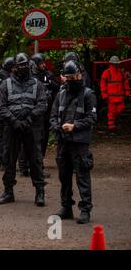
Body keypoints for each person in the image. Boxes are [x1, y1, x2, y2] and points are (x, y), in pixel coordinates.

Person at [0, 53, 46, 207]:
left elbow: (42, 104)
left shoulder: (37, 84)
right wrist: (14, 120)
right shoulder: (6, 84)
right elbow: (0, 106)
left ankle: (40, 192)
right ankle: (8, 191)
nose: (22, 68)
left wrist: (29, 119)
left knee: (35, 160)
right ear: (14, 67)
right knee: (8, 160)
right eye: (19, 65)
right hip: (12, 128)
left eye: (25, 65)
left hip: (31, 127)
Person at [50, 60, 96, 224]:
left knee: (82, 176)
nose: (71, 79)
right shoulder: (61, 93)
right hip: (63, 142)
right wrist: (57, 126)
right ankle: (66, 207)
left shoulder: (88, 94)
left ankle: (85, 210)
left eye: (74, 76)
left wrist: (74, 126)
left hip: (80, 143)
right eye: (68, 77)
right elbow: (53, 115)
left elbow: (92, 118)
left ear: (79, 75)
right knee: (64, 176)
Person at [18, 53, 59, 178]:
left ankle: (32, 166)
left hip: (44, 115)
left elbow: (57, 87)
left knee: (40, 141)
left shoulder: (47, 75)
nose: (43, 65)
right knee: (30, 142)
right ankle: (26, 167)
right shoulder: (29, 78)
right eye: (41, 63)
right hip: (32, 115)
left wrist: (50, 90)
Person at [100, 56, 130, 133]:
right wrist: (105, 96)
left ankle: (113, 124)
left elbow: (125, 84)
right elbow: (103, 85)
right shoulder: (106, 72)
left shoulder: (121, 73)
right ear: (111, 64)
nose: (115, 65)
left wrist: (127, 93)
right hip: (111, 98)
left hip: (120, 97)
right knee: (111, 112)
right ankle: (111, 128)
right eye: (114, 64)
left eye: (116, 64)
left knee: (121, 109)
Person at [0, 57, 14, 171]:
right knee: (6, 137)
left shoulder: (2, 76)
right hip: (3, 111)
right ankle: (3, 161)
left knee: (2, 136)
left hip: (0, 110)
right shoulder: (6, 79)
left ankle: (1, 160)